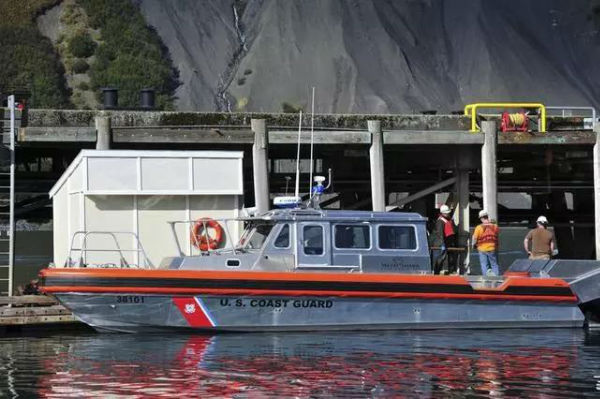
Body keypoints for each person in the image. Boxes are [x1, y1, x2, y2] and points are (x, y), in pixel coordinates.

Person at [429, 204, 458, 274]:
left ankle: (451, 271)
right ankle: (436, 272)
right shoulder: (440, 221)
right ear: (443, 213)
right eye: (447, 213)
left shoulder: (449, 220)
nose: (448, 214)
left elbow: (453, 230)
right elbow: (440, 233)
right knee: (440, 258)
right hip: (441, 243)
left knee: (451, 258)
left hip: (449, 242)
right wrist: (442, 244)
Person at [472, 210, 500, 276]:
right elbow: (497, 236)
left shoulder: (478, 227)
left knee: (484, 264)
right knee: (494, 264)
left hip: (482, 248)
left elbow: (475, 238)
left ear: (481, 218)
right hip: (492, 248)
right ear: (487, 216)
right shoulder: (495, 226)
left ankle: (485, 278)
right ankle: (497, 277)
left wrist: (473, 245)